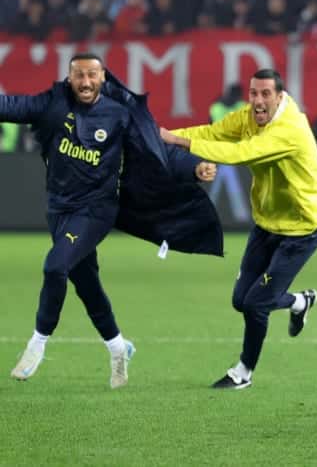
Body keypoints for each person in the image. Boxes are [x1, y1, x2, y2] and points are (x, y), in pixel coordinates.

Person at [2, 53, 223, 388]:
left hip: (97, 209)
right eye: (79, 75)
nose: (86, 82)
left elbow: (155, 149)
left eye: (92, 75)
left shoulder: (118, 114)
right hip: (59, 210)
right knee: (87, 285)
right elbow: (12, 106)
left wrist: (192, 166)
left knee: (55, 266)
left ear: (103, 77)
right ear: (69, 78)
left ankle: (38, 343)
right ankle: (119, 347)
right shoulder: (54, 104)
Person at [160, 68, 317, 390]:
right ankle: (299, 302)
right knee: (241, 300)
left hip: (301, 230)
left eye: (266, 94)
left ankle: (243, 373)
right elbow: (213, 133)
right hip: (266, 224)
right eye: (254, 93)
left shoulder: (289, 128)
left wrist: (177, 140)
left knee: (256, 304)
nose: (258, 101)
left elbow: (239, 153)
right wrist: (166, 135)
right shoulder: (249, 117)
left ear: (280, 97)